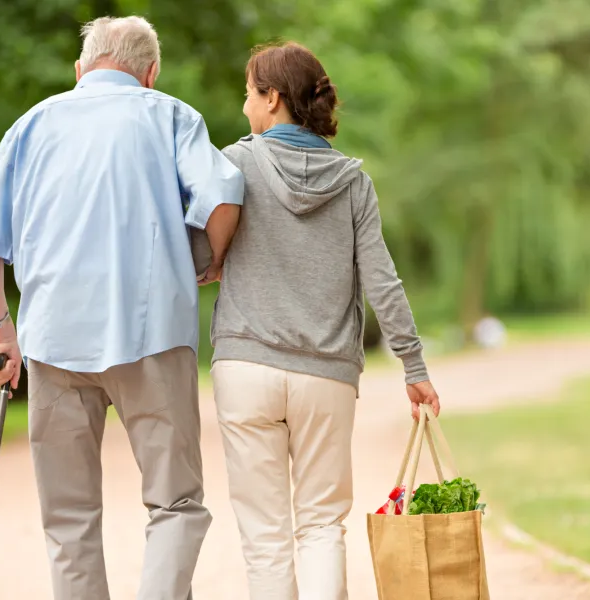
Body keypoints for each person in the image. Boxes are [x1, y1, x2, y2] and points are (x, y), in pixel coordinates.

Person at [0, 15, 243, 600]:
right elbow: (222, 197)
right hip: (153, 335)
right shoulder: (170, 116)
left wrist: (1, 333)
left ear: (79, 69)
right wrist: (211, 259)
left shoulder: (31, 125)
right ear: (151, 72)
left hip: (53, 341)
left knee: (68, 518)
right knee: (175, 503)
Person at [207, 42, 441, 600]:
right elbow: (382, 281)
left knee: (265, 536)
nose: (244, 105)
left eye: (249, 93)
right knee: (321, 525)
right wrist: (413, 366)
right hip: (326, 376)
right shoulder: (353, 182)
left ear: (273, 98)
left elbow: (197, 247)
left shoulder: (233, 163)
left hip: (246, 367)